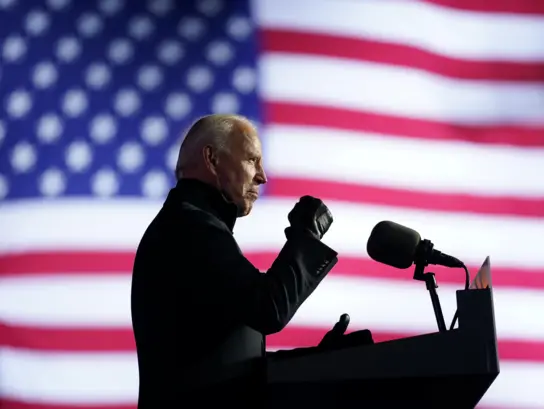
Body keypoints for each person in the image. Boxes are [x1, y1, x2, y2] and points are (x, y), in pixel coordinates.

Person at [130, 114, 369, 408]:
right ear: (212, 159)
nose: (262, 176)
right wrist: (305, 236)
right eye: (252, 160)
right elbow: (267, 308)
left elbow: (224, 363)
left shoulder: (189, 225)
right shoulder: (189, 228)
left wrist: (316, 361)